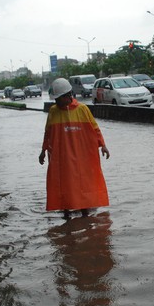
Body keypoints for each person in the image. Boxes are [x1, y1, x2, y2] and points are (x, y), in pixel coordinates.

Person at [39, 78, 110, 218]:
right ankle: (66, 213)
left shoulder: (82, 109)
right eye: (55, 99)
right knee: (64, 184)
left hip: (81, 157)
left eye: (58, 99)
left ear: (68, 96)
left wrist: (103, 145)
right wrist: (43, 151)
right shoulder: (53, 111)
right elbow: (48, 132)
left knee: (83, 183)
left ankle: (85, 213)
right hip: (62, 159)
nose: (56, 102)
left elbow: (94, 129)